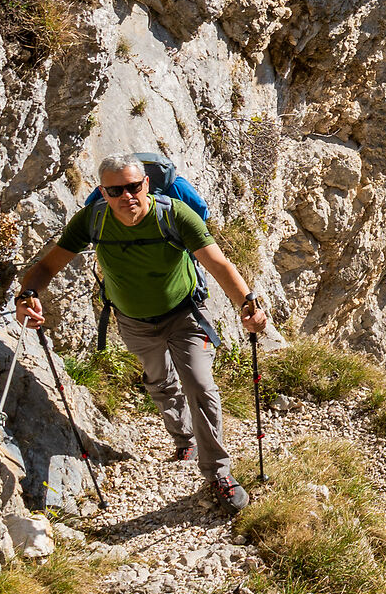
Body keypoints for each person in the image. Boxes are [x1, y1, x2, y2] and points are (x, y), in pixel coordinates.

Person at [13, 152, 269, 515]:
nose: (126, 196)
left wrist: (247, 303)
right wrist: (27, 295)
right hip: (133, 321)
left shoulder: (175, 216)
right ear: (103, 192)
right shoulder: (93, 220)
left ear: (146, 184)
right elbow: (47, 266)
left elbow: (218, 263)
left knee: (199, 385)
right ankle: (184, 438)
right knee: (159, 379)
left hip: (185, 314)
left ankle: (218, 474)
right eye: (115, 190)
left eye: (133, 187)